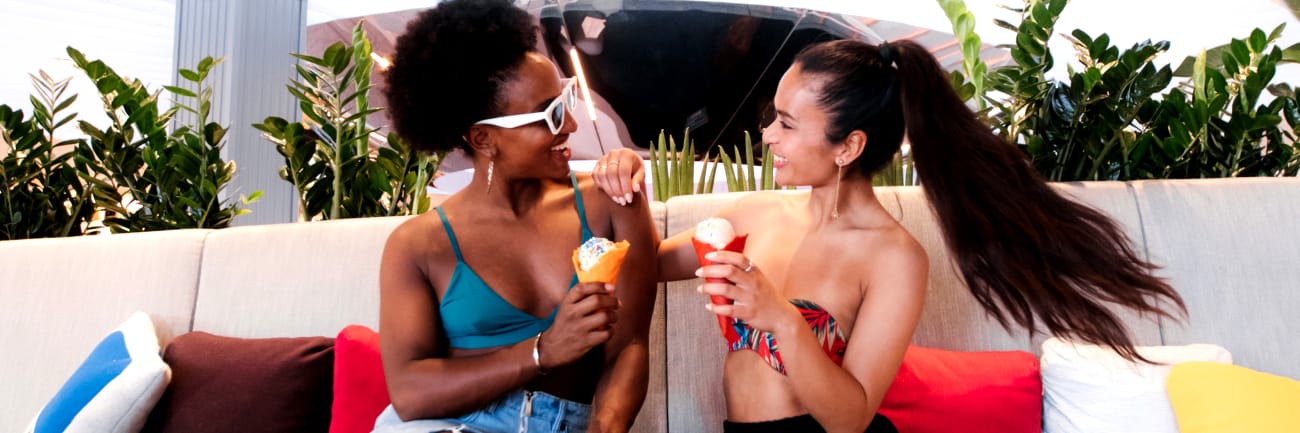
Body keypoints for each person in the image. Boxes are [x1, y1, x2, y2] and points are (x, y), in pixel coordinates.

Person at [592, 39, 1185, 433]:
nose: (769, 135)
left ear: (849, 146)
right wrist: (629, 186)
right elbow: (640, 263)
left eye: (789, 124)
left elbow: (850, 417)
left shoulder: (896, 257)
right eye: (772, 117)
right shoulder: (755, 213)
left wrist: (781, 317)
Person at [374, 1, 659, 432]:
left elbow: (630, 345)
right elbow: (411, 394)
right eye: (550, 115)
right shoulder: (418, 245)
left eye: (565, 103)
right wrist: (542, 351)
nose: (570, 128)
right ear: (484, 139)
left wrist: (607, 427)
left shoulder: (610, 202)